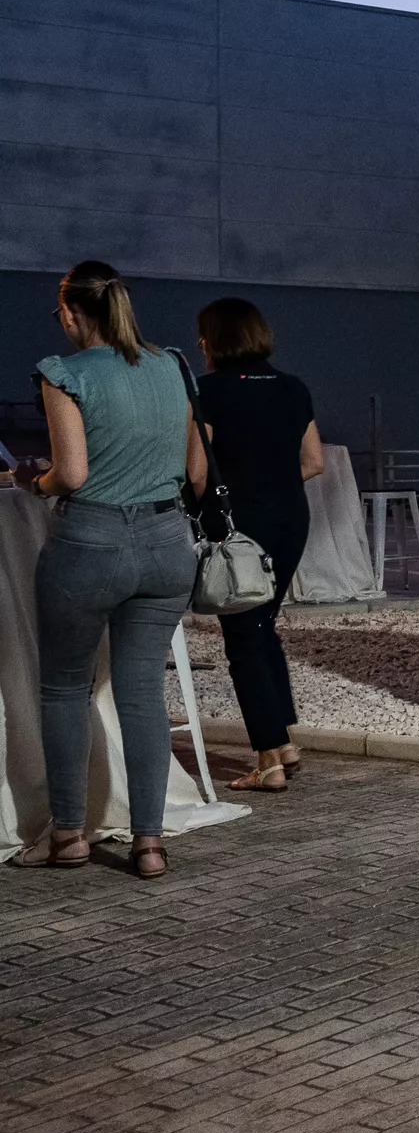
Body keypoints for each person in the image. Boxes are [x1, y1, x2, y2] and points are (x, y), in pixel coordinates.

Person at [6, 263, 205, 879]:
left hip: (90, 542)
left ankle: (68, 834)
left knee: (64, 689)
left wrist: (29, 482)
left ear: (69, 313)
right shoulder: (173, 364)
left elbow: (71, 474)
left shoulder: (63, 373)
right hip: (168, 540)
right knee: (142, 692)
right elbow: (196, 471)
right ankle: (149, 844)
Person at [190, 298, 324, 795]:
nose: (201, 345)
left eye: (204, 336)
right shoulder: (293, 387)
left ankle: (267, 759)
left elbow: (197, 472)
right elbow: (313, 462)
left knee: (243, 639)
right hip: (291, 521)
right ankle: (284, 741)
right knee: (263, 626)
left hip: (239, 530)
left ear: (217, 340)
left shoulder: (208, 391)